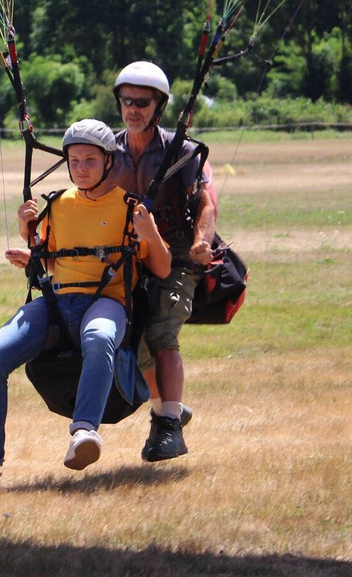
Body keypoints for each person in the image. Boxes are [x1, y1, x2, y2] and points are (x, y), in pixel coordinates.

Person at [0, 119, 171, 491]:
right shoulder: (58, 204)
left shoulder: (131, 207)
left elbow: (162, 267)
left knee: (99, 337)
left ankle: (84, 432)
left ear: (109, 162)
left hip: (106, 301)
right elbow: (47, 263)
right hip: (58, 302)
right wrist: (28, 248)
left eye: (90, 160)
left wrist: (151, 235)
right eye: (74, 160)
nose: (81, 168)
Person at [108, 61, 216, 462]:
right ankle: (168, 407)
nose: (133, 109)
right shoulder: (107, 150)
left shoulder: (181, 151)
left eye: (142, 102)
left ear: (159, 106)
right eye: (127, 101)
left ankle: (168, 426)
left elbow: (206, 202)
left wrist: (201, 242)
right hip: (127, 256)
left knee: (161, 330)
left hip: (177, 255)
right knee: (128, 337)